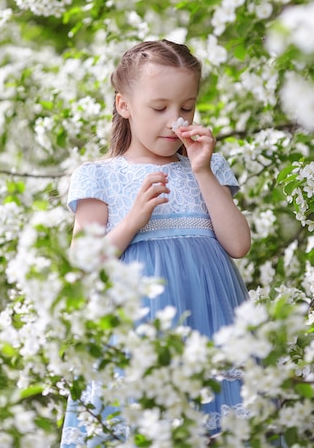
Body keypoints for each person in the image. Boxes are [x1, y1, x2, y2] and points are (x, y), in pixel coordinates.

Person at [60, 39, 251, 447]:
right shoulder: (100, 175)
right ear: (124, 105)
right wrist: (132, 221)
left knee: (220, 428)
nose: (175, 121)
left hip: (211, 320)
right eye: (159, 107)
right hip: (140, 329)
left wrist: (201, 171)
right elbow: (82, 263)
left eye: (186, 107)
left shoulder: (209, 165)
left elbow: (237, 244)